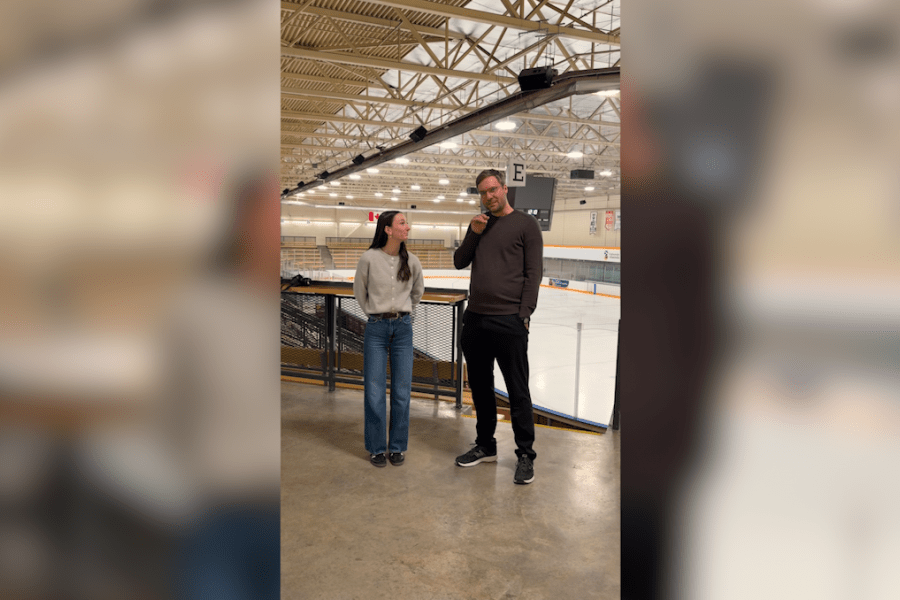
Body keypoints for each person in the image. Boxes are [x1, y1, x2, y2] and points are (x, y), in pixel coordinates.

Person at [453, 168, 543, 484]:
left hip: (509, 321)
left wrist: (524, 314)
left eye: (493, 189)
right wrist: (473, 232)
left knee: (518, 391)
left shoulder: (526, 225)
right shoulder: (479, 224)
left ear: (504, 188)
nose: (488, 196)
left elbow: (534, 274)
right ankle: (485, 446)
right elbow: (459, 261)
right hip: (475, 319)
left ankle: (525, 455)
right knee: (480, 387)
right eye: (482, 192)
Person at [353, 211, 424, 468]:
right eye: (402, 223)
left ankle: (396, 447)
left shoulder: (412, 261)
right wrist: (376, 315)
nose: (408, 227)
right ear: (388, 229)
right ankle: (376, 447)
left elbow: (417, 292)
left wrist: (403, 314)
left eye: (406, 222)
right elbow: (360, 293)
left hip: (403, 330)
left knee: (402, 392)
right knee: (374, 391)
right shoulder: (369, 258)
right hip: (376, 329)